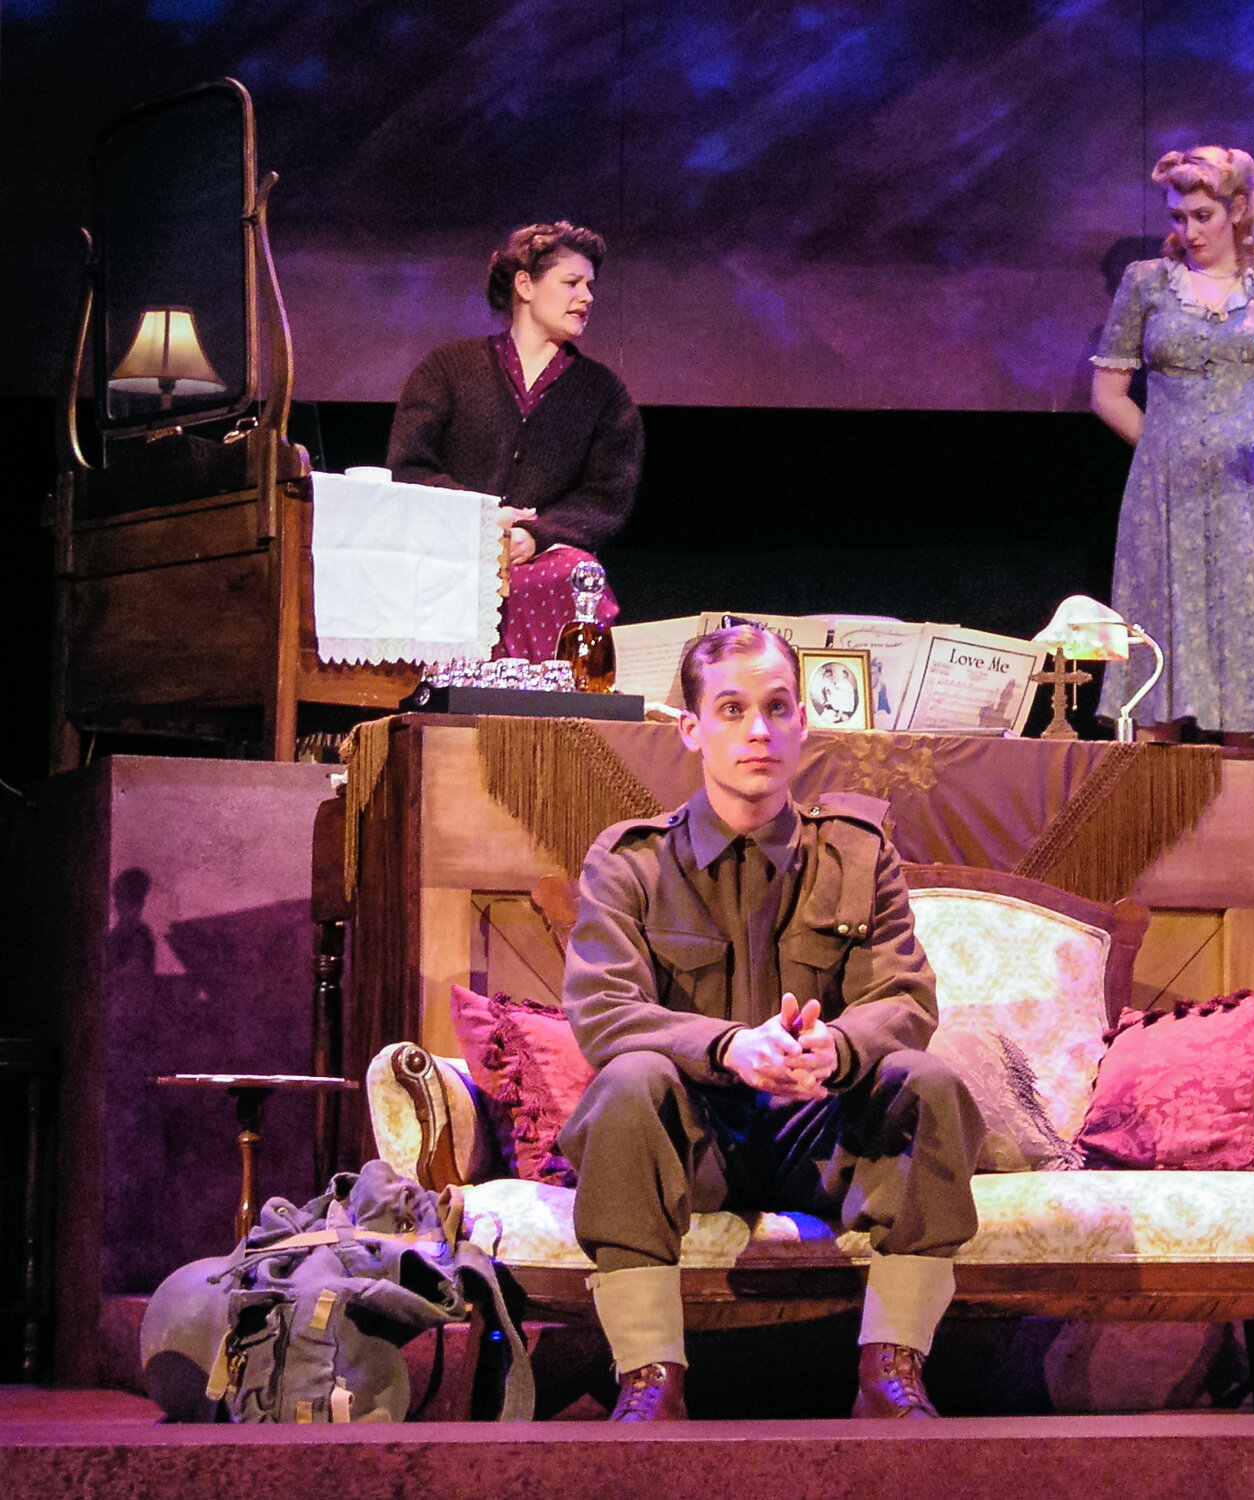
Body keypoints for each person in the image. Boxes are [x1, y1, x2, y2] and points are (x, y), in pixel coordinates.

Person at [555, 623, 983, 1421]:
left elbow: (905, 997)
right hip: (693, 1142)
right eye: (731, 709)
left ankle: (891, 1373)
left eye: (777, 707)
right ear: (691, 729)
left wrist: (838, 1047)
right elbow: (604, 1011)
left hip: (821, 1138)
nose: (758, 729)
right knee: (628, 1082)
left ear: (802, 724)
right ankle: (651, 1379)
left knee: (926, 1083)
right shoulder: (631, 861)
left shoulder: (858, 853)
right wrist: (728, 1047)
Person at [1090, 146, 1254, 742]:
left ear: (1238, 210)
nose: (1188, 231)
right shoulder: (1146, 282)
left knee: (1247, 675)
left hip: (1249, 494)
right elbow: (1108, 394)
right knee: (1156, 672)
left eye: (1202, 216)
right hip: (1163, 497)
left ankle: (1242, 802)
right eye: (1177, 217)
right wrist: (1162, 450)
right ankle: (1154, 804)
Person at [387, 221, 643, 661]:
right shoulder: (449, 369)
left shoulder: (603, 392)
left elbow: (606, 497)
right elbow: (411, 467)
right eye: (571, 283)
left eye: (590, 286)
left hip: (540, 562)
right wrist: (482, 518)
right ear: (525, 285)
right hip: (451, 549)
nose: (586, 297)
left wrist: (534, 535)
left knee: (573, 573)